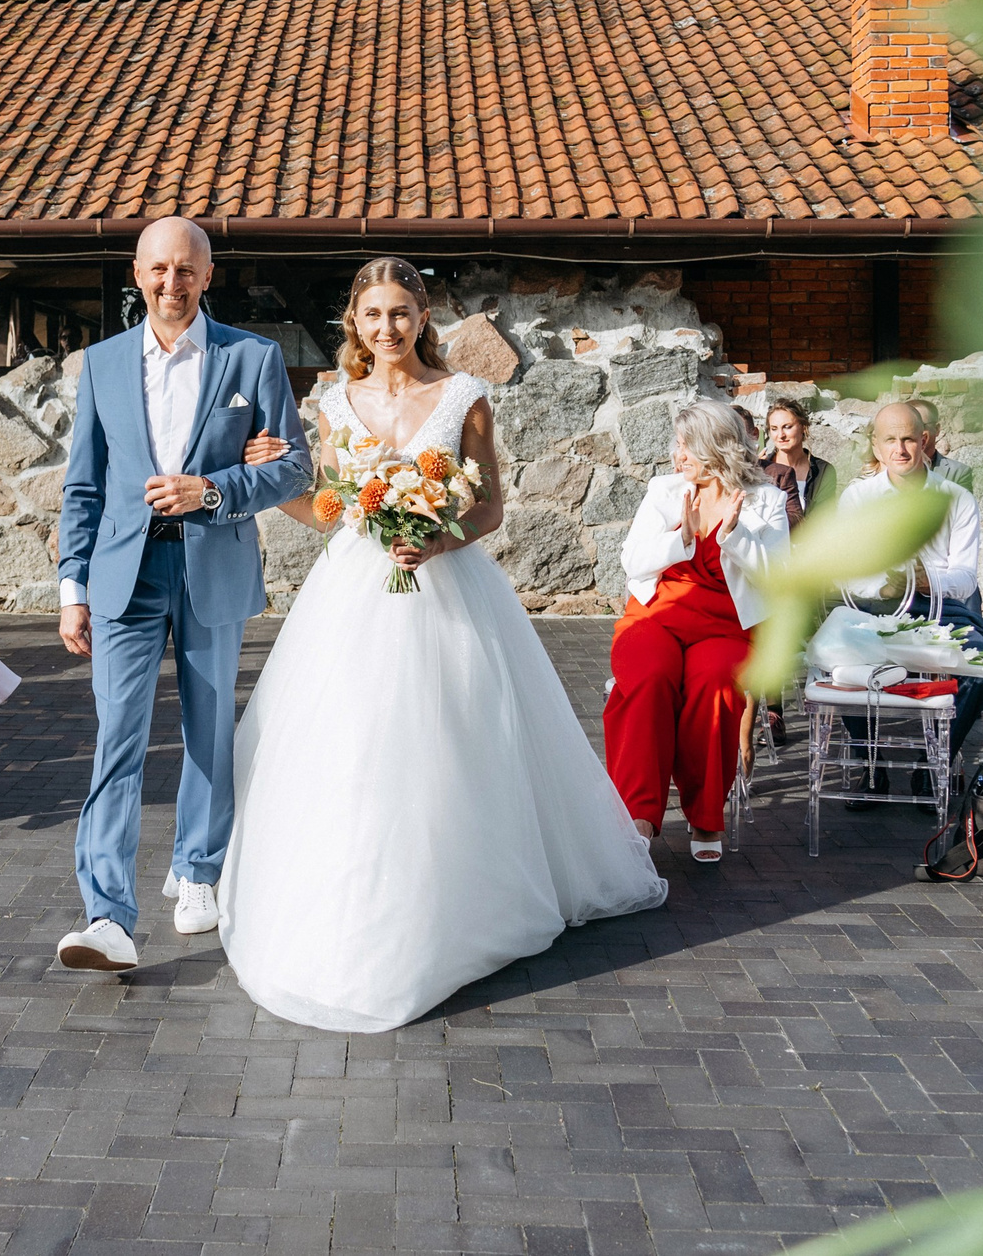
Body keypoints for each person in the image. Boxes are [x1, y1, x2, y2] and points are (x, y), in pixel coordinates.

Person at [218, 258, 667, 1033]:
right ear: (353, 324)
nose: (386, 329)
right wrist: (278, 483)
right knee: (355, 749)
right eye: (371, 316)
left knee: (448, 744)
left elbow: (489, 508)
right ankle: (354, 907)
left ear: (423, 318)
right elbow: (329, 510)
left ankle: (460, 902)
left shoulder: (464, 397)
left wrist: (432, 538)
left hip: (446, 586)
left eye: (400, 314)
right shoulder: (336, 403)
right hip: (354, 596)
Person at [53, 217, 314, 972]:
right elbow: (84, 486)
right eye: (160, 270)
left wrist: (212, 491)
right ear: (139, 275)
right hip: (121, 577)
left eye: (188, 271)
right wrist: (73, 589)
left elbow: (293, 469)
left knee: (208, 731)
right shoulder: (101, 365)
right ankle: (106, 912)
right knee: (118, 740)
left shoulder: (253, 357)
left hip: (212, 567)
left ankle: (199, 871)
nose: (173, 283)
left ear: (208, 276)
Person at [608, 400, 789, 862]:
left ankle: (705, 815)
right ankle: (638, 814)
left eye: (688, 444)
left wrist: (733, 534)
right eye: (678, 443)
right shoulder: (664, 490)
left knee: (714, 685)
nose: (678, 453)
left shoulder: (764, 497)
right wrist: (681, 539)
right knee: (646, 679)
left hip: (725, 625)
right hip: (656, 615)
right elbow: (632, 560)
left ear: (717, 445)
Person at [837, 400, 983, 750]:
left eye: (908, 439)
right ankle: (869, 759)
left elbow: (967, 576)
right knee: (839, 659)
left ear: (924, 440)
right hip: (874, 611)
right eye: (890, 440)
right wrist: (885, 586)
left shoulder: (957, 499)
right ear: (876, 446)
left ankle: (937, 760)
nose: (900, 449)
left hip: (941, 611)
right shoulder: (858, 498)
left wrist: (927, 582)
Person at [758, 395, 835, 526]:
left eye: (787, 427)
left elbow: (823, 519)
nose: (781, 435)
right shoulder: (763, 469)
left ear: (803, 427)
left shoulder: (822, 470)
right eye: (774, 429)